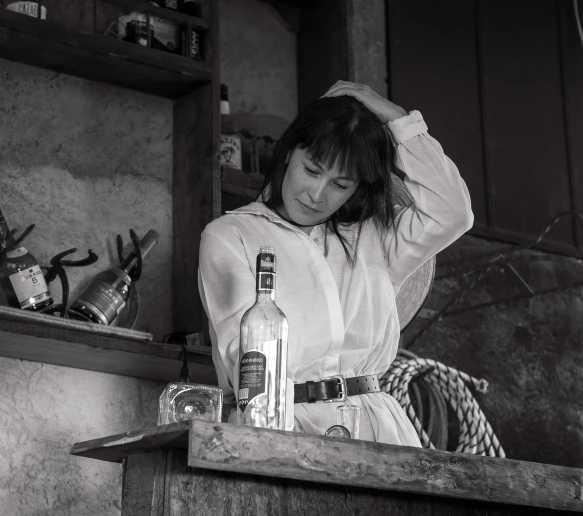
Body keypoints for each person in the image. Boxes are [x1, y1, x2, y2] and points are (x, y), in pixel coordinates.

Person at [198, 81, 474, 446]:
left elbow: (453, 211)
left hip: (377, 429)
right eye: (311, 170)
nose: (317, 195)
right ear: (287, 153)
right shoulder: (231, 236)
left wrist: (396, 119)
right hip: (280, 426)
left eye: (339, 184)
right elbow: (248, 360)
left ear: (357, 188)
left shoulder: (378, 237)